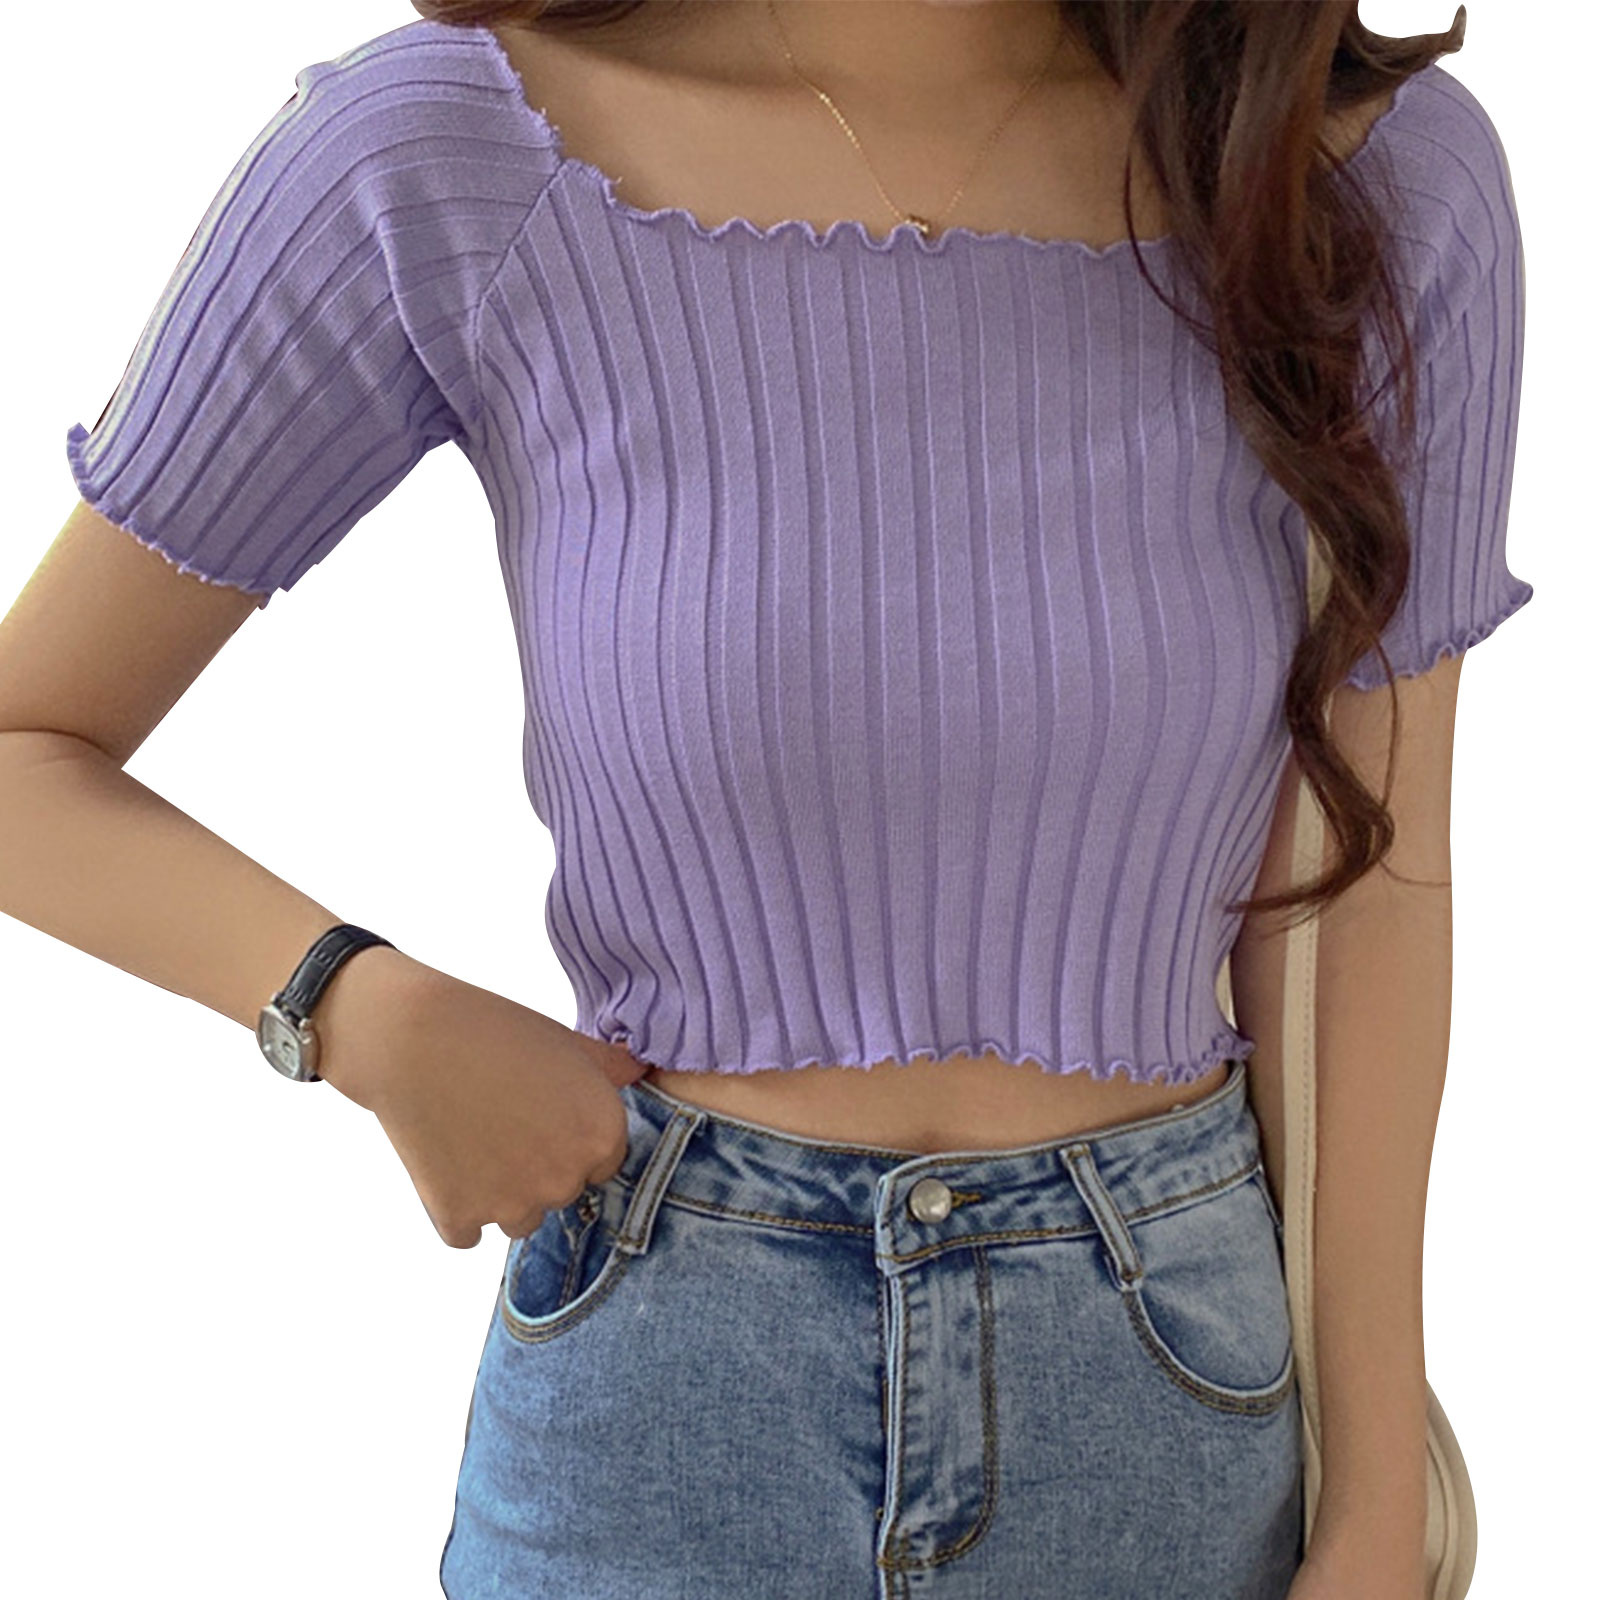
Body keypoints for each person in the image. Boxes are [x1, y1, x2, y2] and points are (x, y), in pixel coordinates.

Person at [0, 2, 1533, 1597]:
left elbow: (1374, 886)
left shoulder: (1361, 177)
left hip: (1166, 1413)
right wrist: (357, 1007)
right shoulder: (454, 150)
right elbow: (25, 743)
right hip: (666, 1407)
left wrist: (1374, 1505)